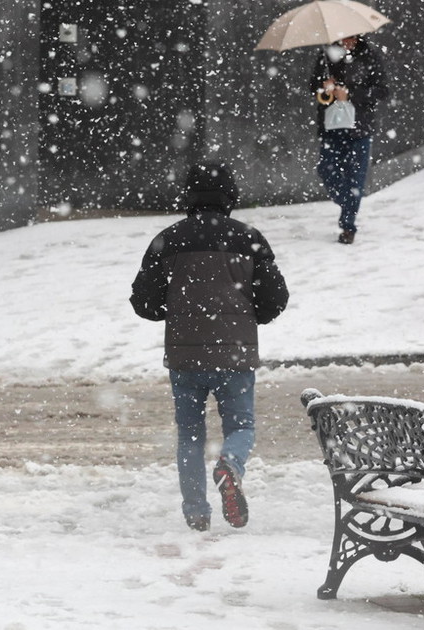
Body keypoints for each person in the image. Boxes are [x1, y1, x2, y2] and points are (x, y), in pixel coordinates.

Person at [129, 163, 290, 532]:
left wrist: (174, 311)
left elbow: (143, 302)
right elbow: (275, 299)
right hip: (235, 352)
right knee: (242, 425)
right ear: (230, 196)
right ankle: (230, 464)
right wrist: (250, 316)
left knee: (190, 434)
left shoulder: (167, 240)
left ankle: (196, 512)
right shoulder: (249, 238)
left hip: (185, 355)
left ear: (189, 195)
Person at [310, 35, 388, 245]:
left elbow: (382, 91)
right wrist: (324, 86)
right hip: (332, 127)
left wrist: (351, 94)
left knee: (356, 177)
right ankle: (348, 202)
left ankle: (348, 225)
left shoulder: (370, 55)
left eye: (352, 35)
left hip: (359, 128)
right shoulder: (326, 55)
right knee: (326, 169)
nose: (348, 39)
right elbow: (312, 87)